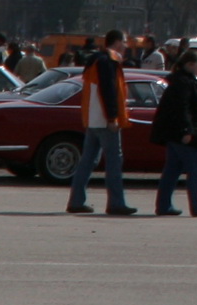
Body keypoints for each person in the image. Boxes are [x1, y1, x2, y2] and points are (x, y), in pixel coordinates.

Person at [66, 31, 134, 215]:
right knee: (113, 161)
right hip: (105, 119)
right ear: (117, 42)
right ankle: (116, 203)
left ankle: (76, 200)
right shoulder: (108, 61)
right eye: (125, 42)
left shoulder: (95, 60)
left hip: (93, 118)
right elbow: (109, 91)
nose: (126, 46)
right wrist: (112, 117)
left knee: (88, 160)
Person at [152, 50, 197, 217]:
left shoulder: (182, 81)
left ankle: (164, 205)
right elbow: (182, 109)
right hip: (186, 132)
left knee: (172, 170)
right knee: (196, 169)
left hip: (175, 133)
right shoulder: (184, 83)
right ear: (190, 65)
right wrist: (187, 131)